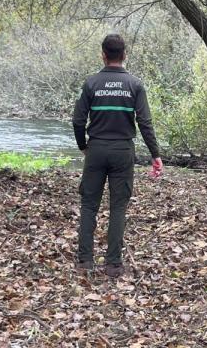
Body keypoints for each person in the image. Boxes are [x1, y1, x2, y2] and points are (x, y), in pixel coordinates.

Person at [72, 34, 163, 278]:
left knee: (89, 205)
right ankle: (113, 264)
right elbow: (145, 122)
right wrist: (156, 154)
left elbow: (78, 120)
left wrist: (83, 146)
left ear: (103, 54)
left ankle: (85, 261)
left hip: (97, 149)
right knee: (118, 207)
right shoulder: (135, 84)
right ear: (124, 55)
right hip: (123, 151)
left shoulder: (91, 84)